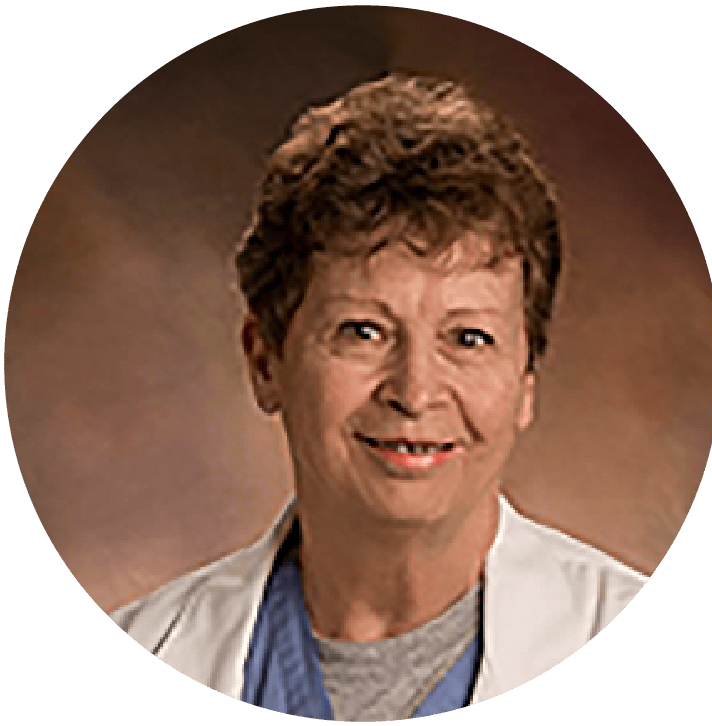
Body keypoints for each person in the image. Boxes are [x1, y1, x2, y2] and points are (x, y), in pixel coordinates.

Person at [110, 72, 648, 718]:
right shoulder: (154, 643)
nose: (415, 392)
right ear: (265, 361)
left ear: (526, 381)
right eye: (362, 331)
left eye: (468, 338)